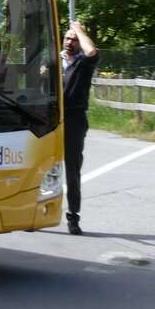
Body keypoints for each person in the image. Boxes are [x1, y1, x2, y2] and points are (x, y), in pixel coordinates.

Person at [61, 20, 98, 235]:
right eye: (67, 38)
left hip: (74, 120)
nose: (69, 42)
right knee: (40, 168)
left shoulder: (84, 63)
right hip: (50, 118)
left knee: (72, 172)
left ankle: (73, 218)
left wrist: (78, 29)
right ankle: (35, 212)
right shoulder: (53, 60)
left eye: (74, 39)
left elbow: (91, 50)